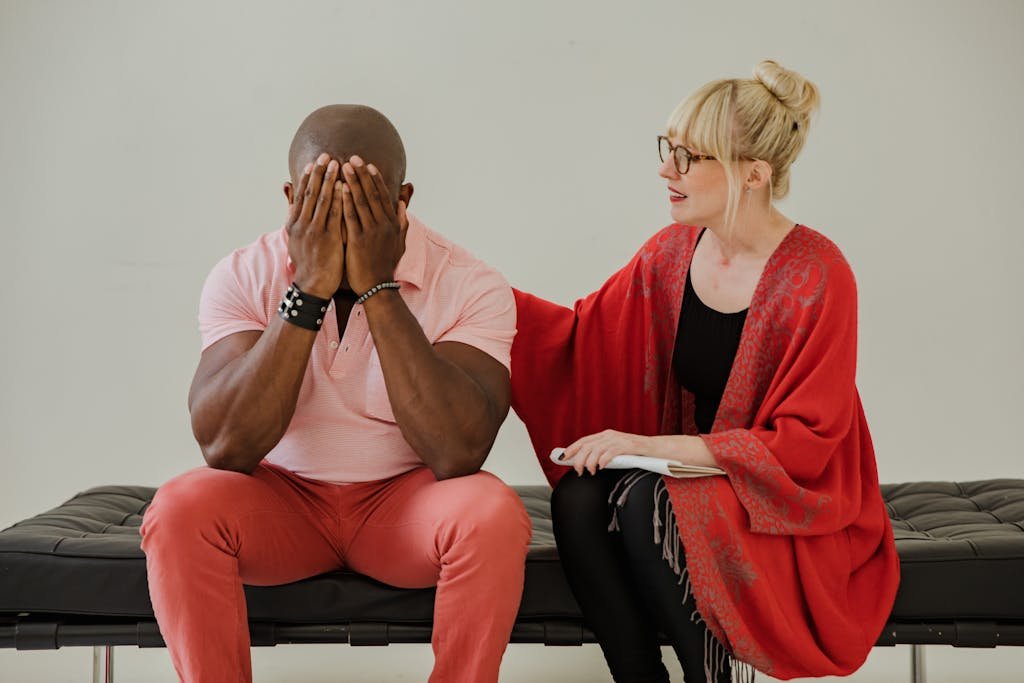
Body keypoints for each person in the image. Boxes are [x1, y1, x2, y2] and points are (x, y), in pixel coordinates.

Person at [510, 61, 900, 682]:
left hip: (789, 504)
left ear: (753, 174)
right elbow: (581, 338)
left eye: (690, 156)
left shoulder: (818, 276)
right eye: (669, 149)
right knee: (579, 496)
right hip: (696, 480)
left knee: (644, 499)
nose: (667, 170)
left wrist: (645, 446)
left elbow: (803, 444)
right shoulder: (672, 252)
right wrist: (466, 286)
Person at [140, 104, 531, 683]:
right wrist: (307, 289)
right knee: (177, 510)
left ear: (403, 199)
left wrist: (378, 286)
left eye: (366, 196)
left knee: (492, 514)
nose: (343, 214)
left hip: (405, 504)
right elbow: (225, 446)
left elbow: (456, 453)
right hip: (282, 502)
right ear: (291, 197)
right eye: (322, 195)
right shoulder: (245, 272)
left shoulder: (472, 283)